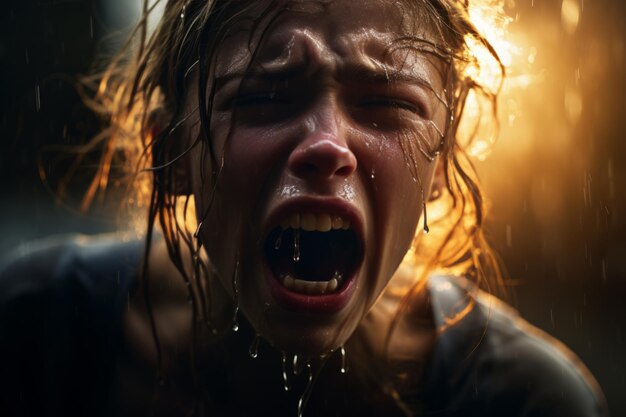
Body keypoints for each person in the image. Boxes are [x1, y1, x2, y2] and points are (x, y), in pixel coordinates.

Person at [0, 0, 609, 416]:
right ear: (173, 153)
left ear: (443, 162)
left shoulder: (524, 401)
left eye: (385, 100)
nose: (325, 143)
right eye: (265, 94)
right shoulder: (31, 336)